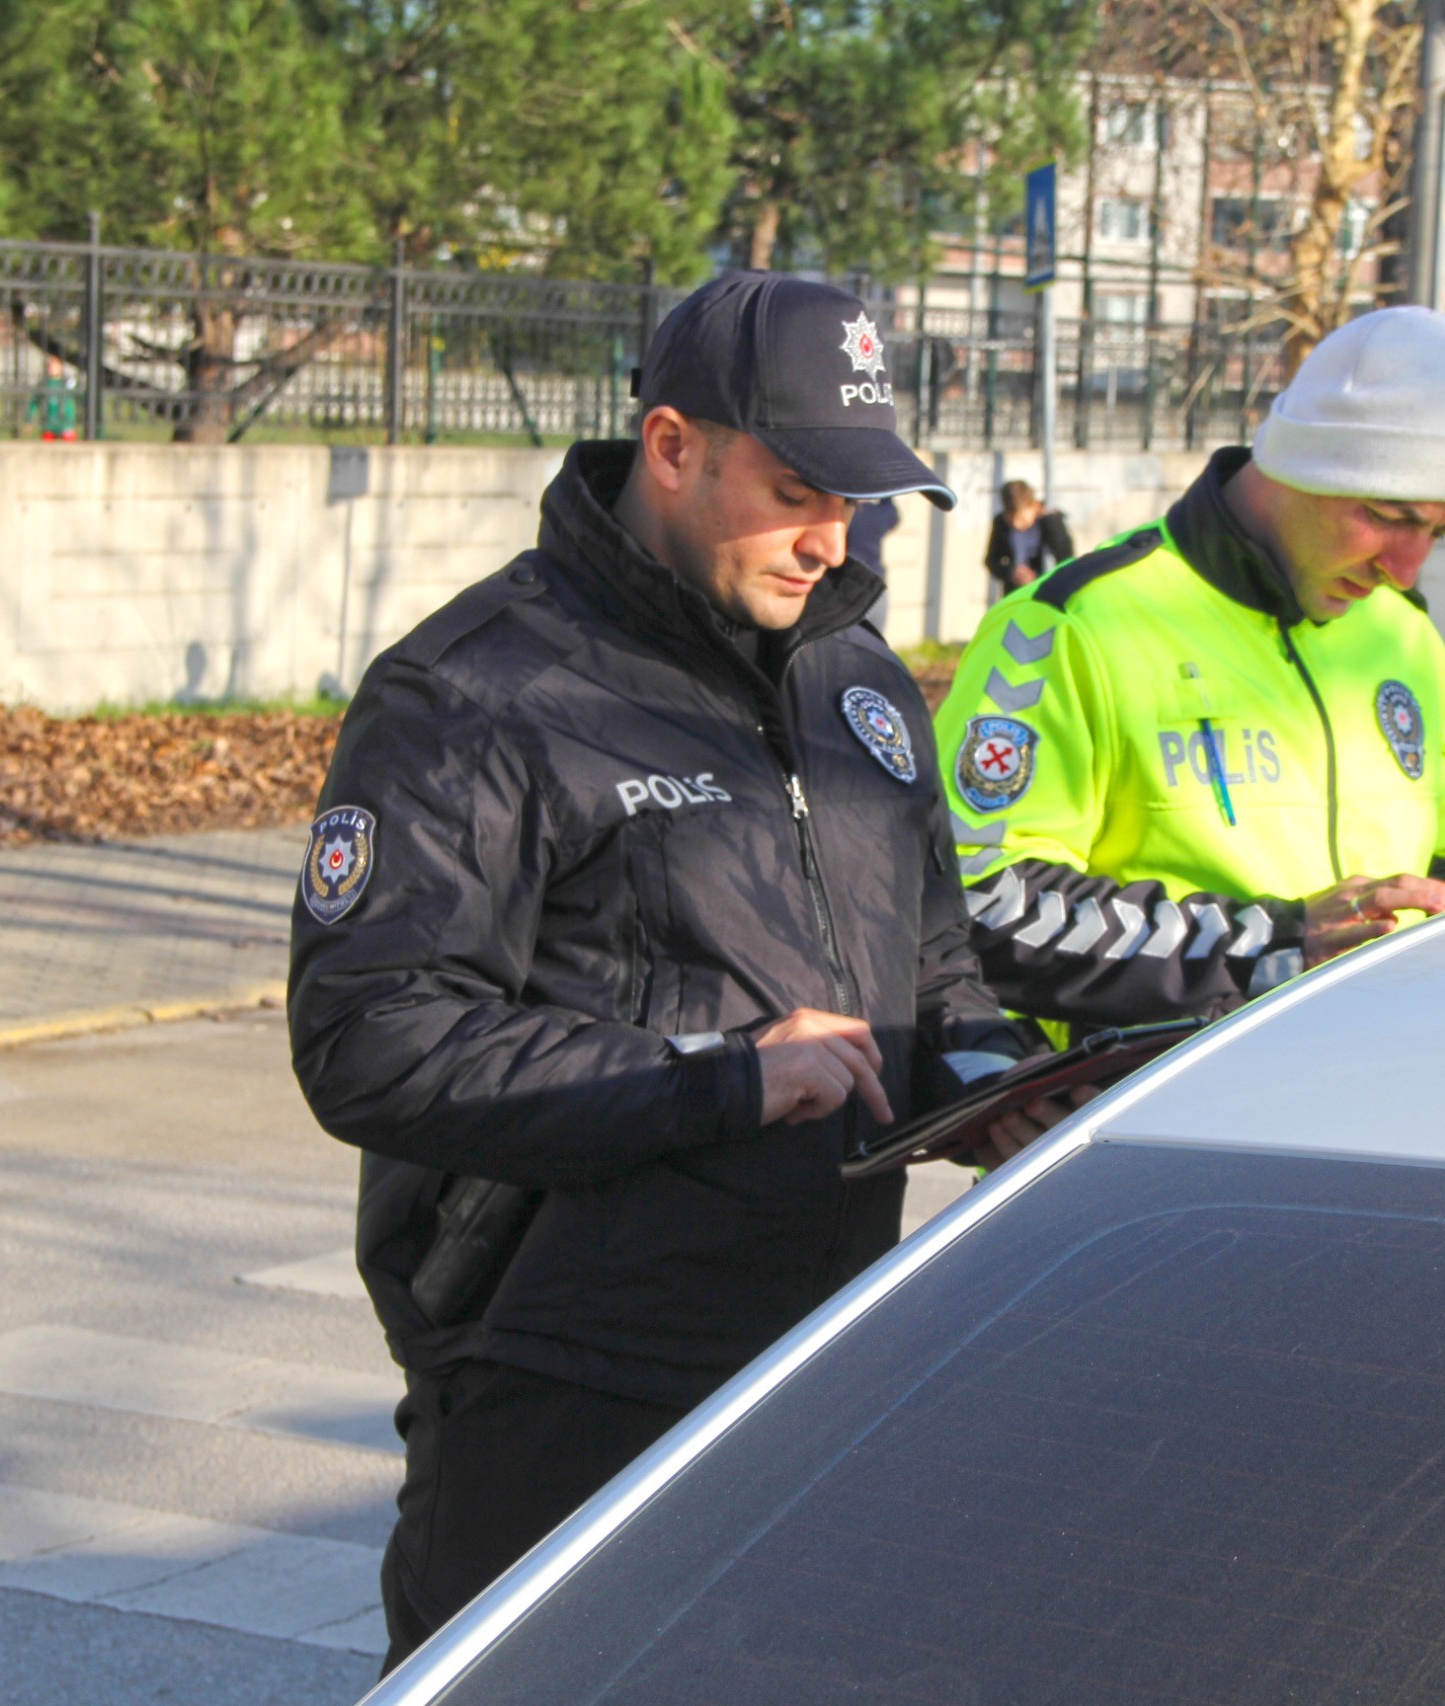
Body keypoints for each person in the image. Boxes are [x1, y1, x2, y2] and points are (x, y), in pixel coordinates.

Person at [286, 272, 1074, 1672]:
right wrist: (717, 1080)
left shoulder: (860, 681)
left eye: (860, 498)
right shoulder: (473, 693)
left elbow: (933, 953)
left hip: (810, 1350)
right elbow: (372, 1034)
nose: (832, 537)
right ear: (670, 445)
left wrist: (994, 1079)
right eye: (797, 487)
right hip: (558, 1383)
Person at [933, 306, 1445, 1030]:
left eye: (1440, 531)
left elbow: (1441, 863)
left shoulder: (1408, 638)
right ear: (1302, 462)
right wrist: (1268, 946)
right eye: (1389, 515)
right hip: (1164, 1121)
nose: (1405, 566)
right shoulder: (1069, 626)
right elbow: (976, 900)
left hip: (1377, 1091)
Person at [983, 480, 1075, 592]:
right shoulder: (1001, 523)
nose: (1016, 524)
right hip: (1015, 592)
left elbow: (1066, 556)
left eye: (1022, 519)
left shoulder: (1050, 521)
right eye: (1010, 520)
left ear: (1034, 506)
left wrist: (1051, 522)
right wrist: (1011, 572)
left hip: (1046, 589)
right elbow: (991, 560)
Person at [25, 356, 80, 442]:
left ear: (60, 367)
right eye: (50, 366)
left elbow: (77, 400)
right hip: (49, 422)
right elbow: (34, 402)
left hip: (65, 422)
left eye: (55, 366)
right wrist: (29, 419)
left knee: (69, 441)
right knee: (47, 441)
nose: (52, 369)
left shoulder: (66, 385)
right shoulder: (43, 385)